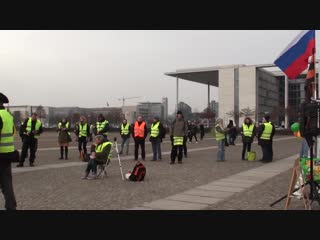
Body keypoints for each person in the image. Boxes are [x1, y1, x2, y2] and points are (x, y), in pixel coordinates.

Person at [0, 92, 17, 210]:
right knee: (7, 186)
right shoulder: (8, 116)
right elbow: (13, 132)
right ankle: (11, 208)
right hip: (7, 156)